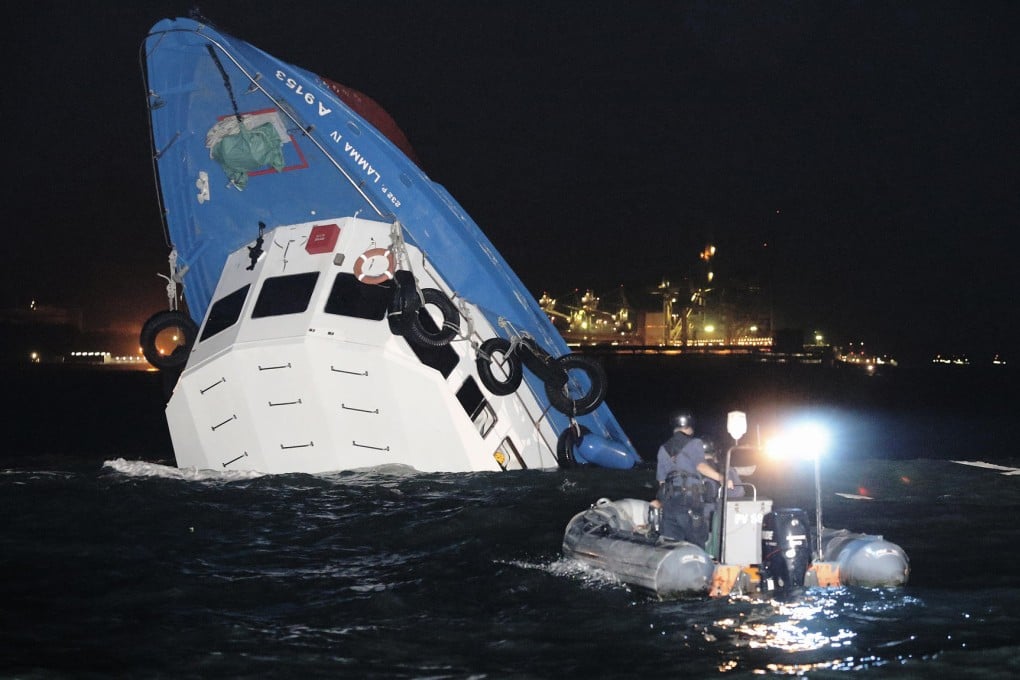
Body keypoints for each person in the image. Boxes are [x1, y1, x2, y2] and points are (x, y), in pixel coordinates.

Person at [650, 409, 732, 546]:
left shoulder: (663, 448)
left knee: (671, 544)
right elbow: (700, 466)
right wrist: (721, 478)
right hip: (689, 501)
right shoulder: (695, 443)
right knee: (697, 542)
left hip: (670, 504)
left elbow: (661, 481)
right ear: (690, 426)